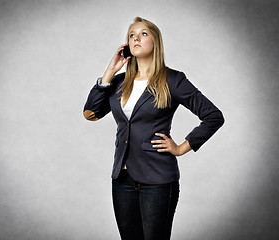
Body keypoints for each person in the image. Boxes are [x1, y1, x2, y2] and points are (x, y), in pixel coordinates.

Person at [83, 16, 224, 240]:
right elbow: (90, 113)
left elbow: (213, 116)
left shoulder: (173, 80)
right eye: (132, 35)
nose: (136, 38)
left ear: (155, 42)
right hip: (122, 180)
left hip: (158, 180)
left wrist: (182, 147)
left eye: (143, 33)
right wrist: (110, 70)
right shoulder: (119, 82)